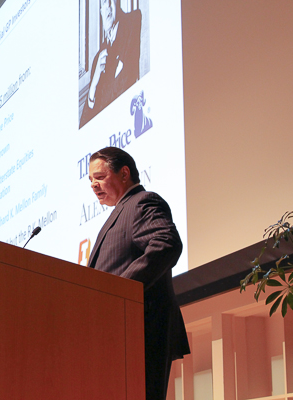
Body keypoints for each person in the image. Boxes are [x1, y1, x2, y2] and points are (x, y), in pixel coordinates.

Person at [87, 147, 190, 400]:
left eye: (99, 177)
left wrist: (118, 291)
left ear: (124, 173)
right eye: (90, 180)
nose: (93, 185)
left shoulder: (142, 202)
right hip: (114, 333)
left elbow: (166, 244)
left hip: (139, 330)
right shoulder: (119, 212)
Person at [79, 0, 141, 128]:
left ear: (117, 3)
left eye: (109, 1)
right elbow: (84, 123)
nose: (107, 7)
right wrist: (93, 86)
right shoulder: (98, 59)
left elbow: (126, 80)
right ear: (100, 11)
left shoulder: (133, 21)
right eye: (103, 4)